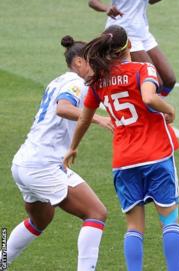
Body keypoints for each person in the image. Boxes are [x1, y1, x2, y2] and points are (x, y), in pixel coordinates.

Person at [63, 25, 179, 271]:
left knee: (134, 227)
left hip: (124, 159)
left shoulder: (99, 82)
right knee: (169, 221)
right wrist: (169, 109)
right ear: (129, 46)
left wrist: (73, 147)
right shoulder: (143, 69)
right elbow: (149, 98)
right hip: (156, 153)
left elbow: (85, 117)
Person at [6, 36, 113, 270]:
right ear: (78, 63)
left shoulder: (58, 81)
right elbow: (63, 108)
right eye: (92, 62)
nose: (96, 67)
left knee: (40, 220)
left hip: (24, 163)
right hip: (42, 166)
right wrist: (98, 119)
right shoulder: (75, 83)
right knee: (96, 212)